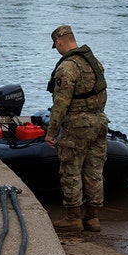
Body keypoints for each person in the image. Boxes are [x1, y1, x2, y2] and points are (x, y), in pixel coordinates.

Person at [45, 25, 109, 232]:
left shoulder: (67, 68)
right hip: (99, 122)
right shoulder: (94, 62)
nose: (57, 50)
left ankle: (73, 218)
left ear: (59, 42)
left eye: (56, 47)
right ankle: (93, 218)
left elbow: (60, 104)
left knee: (71, 170)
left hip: (77, 125)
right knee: (94, 171)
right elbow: (101, 95)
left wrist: (51, 132)